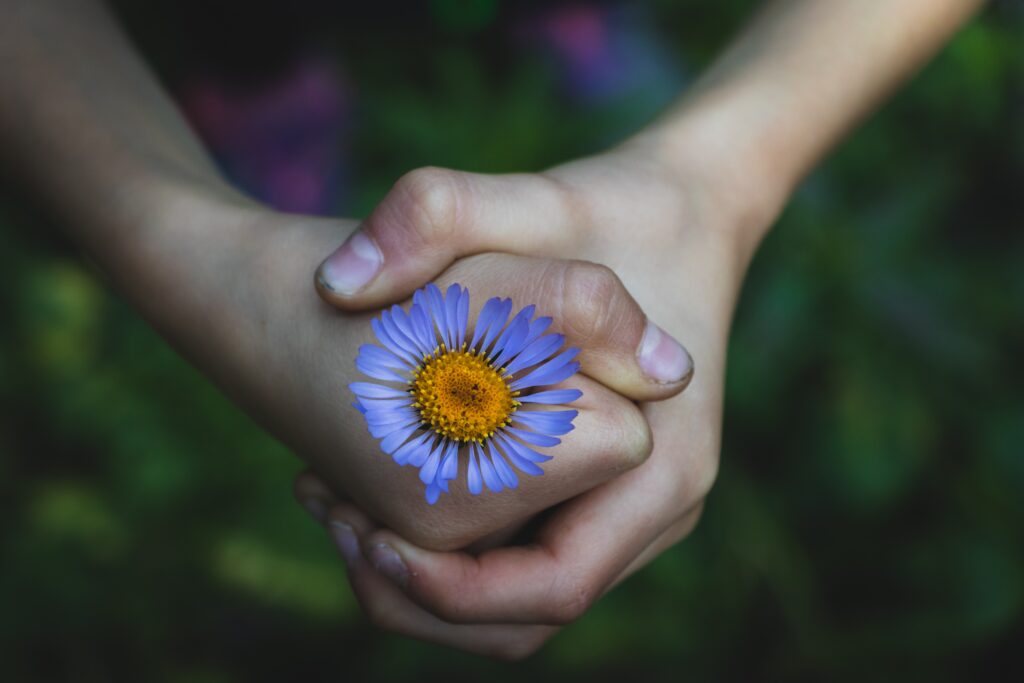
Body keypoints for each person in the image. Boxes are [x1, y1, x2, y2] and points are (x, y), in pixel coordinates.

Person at [0, 0, 983, 660]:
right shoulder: (436, 382)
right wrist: (189, 248)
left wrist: (716, 180)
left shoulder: (493, 389)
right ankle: (262, 79)